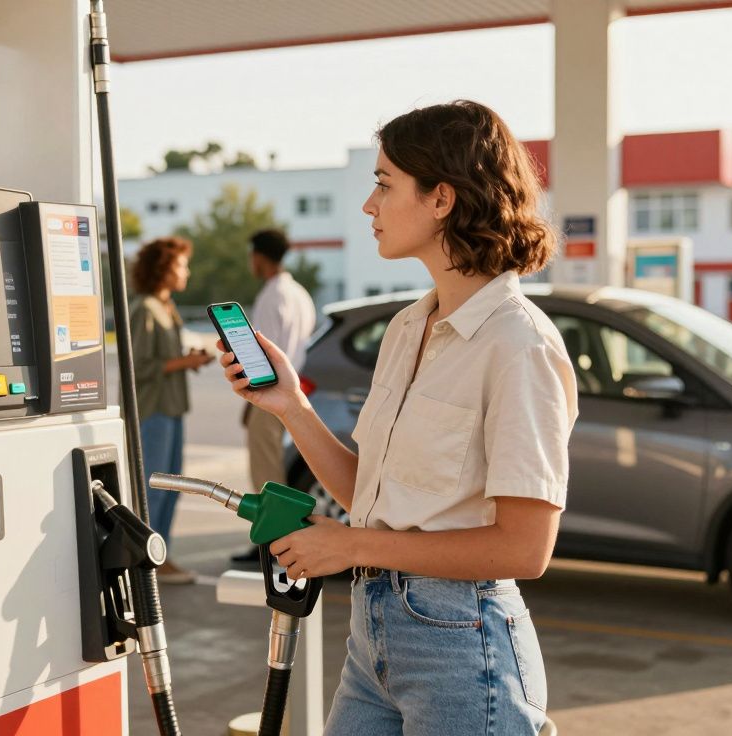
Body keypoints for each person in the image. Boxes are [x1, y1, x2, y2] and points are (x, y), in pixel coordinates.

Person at [214, 101, 577, 735]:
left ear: (442, 198)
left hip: (463, 645)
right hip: (373, 632)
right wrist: (291, 406)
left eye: (384, 184)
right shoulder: (408, 329)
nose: (369, 205)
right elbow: (370, 495)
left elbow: (525, 549)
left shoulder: (519, 346)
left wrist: (349, 544)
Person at [130, 236, 214, 584]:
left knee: (171, 484)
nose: (187, 271)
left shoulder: (166, 307)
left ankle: (159, 555)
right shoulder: (144, 309)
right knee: (155, 487)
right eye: (181, 264)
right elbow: (138, 366)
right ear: (163, 269)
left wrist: (185, 361)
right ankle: (148, 560)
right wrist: (185, 361)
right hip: (154, 410)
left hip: (172, 408)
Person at [230, 229, 315, 564]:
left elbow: (258, 352)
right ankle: (280, 540)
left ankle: (271, 543)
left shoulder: (271, 295)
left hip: (268, 391)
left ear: (258, 257)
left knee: (267, 473)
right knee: (279, 468)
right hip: (293, 391)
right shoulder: (300, 294)